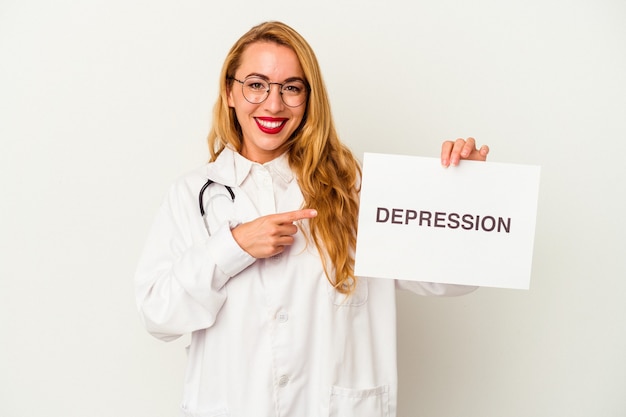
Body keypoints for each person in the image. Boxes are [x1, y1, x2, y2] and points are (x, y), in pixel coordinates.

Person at [134, 21, 489, 417]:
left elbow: (452, 279)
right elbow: (158, 316)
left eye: (291, 87)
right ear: (229, 92)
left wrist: (466, 193)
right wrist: (232, 247)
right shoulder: (191, 195)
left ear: (308, 98)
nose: (273, 104)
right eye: (256, 84)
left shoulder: (355, 190)